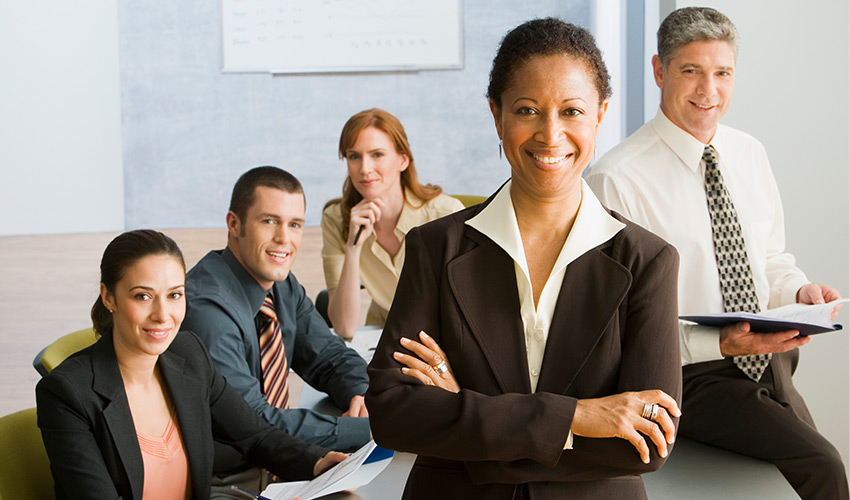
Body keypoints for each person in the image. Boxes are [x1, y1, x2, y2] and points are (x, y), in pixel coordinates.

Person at [365, 18, 682, 500]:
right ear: (497, 115)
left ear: (600, 116)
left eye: (572, 111)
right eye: (528, 110)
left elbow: (649, 445)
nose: (550, 135)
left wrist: (466, 415)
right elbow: (392, 414)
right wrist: (578, 417)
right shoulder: (435, 248)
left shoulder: (648, 262)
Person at [586, 7, 848, 499]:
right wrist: (720, 344)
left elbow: (770, 259)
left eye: (722, 73)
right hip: (687, 374)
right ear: (659, 71)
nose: (709, 90)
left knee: (809, 475)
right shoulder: (616, 179)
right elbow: (617, 326)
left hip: (769, 360)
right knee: (823, 468)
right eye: (691, 71)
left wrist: (799, 291)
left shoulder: (749, 153)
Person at [36, 230, 346, 500]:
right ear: (109, 297)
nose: (162, 315)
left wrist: (317, 462)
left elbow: (255, 436)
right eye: (143, 296)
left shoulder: (189, 354)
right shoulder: (67, 393)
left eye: (174, 295)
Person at [181, 167, 371, 485]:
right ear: (234, 224)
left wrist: (364, 394)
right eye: (269, 221)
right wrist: (369, 429)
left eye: (294, 224)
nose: (284, 238)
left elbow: (329, 356)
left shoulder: (281, 284)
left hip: (283, 466)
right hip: (227, 479)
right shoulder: (207, 309)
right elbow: (255, 421)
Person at [321, 108, 464, 339]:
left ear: (403, 160)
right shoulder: (336, 219)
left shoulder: (446, 215)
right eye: (354, 156)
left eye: (377, 154)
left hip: (442, 337)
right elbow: (344, 327)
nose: (365, 169)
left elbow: (469, 305)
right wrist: (353, 248)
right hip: (382, 337)